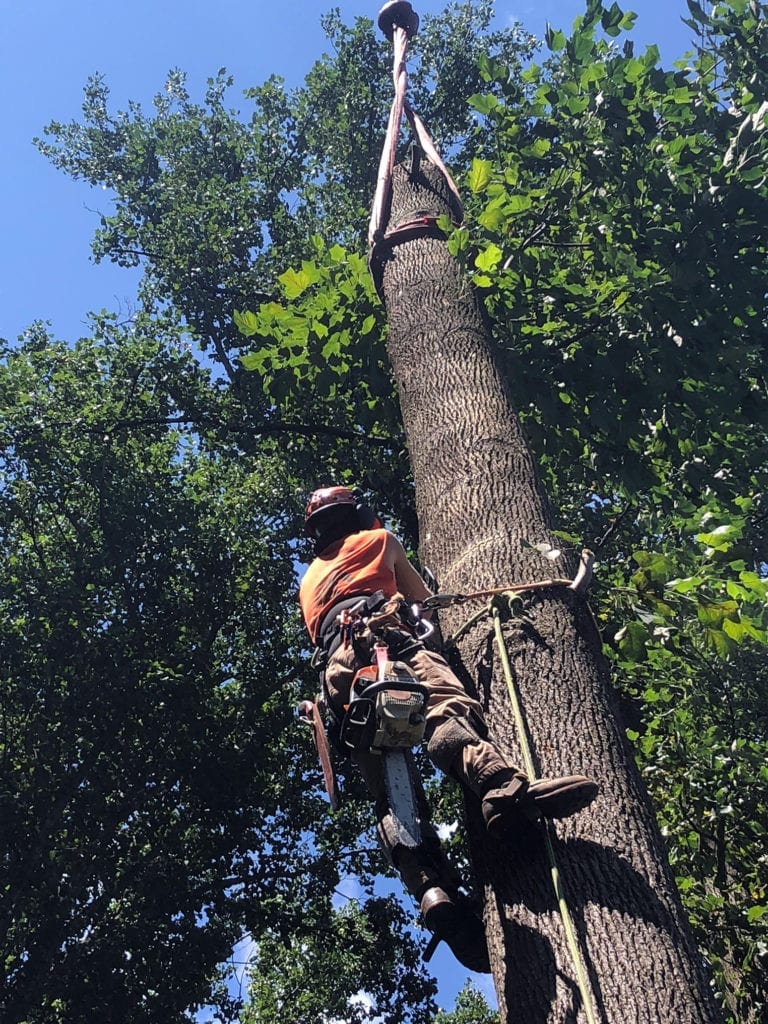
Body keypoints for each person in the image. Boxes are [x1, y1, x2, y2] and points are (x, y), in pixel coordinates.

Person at [299, 485, 598, 972]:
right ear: (357, 514)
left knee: (387, 789)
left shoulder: (308, 581)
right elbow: (425, 604)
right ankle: (498, 786)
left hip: (339, 674)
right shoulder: (379, 541)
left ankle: (429, 888)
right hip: (388, 636)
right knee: (442, 705)